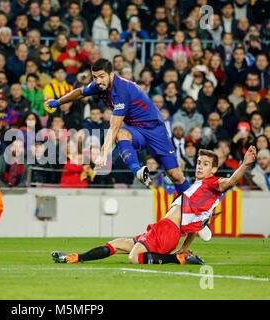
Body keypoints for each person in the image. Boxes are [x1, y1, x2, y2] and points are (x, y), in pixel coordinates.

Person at [52, 147, 257, 265]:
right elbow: (194, 226)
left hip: (167, 231)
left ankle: (177, 260)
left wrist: (245, 164)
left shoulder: (213, 184)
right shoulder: (197, 189)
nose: (199, 166)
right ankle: (75, 257)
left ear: (214, 169)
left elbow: (229, 182)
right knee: (117, 243)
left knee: (134, 258)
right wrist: (185, 248)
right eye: (199, 162)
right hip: (162, 229)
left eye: (205, 164)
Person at [45, 59, 190, 194]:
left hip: (156, 130)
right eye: (95, 77)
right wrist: (58, 102)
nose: (98, 81)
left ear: (111, 74)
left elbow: (113, 126)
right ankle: (137, 171)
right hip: (137, 130)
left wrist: (103, 153)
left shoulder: (121, 90)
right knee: (121, 134)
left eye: (101, 76)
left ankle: (196, 206)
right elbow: (80, 92)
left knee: (175, 176)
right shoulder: (99, 85)